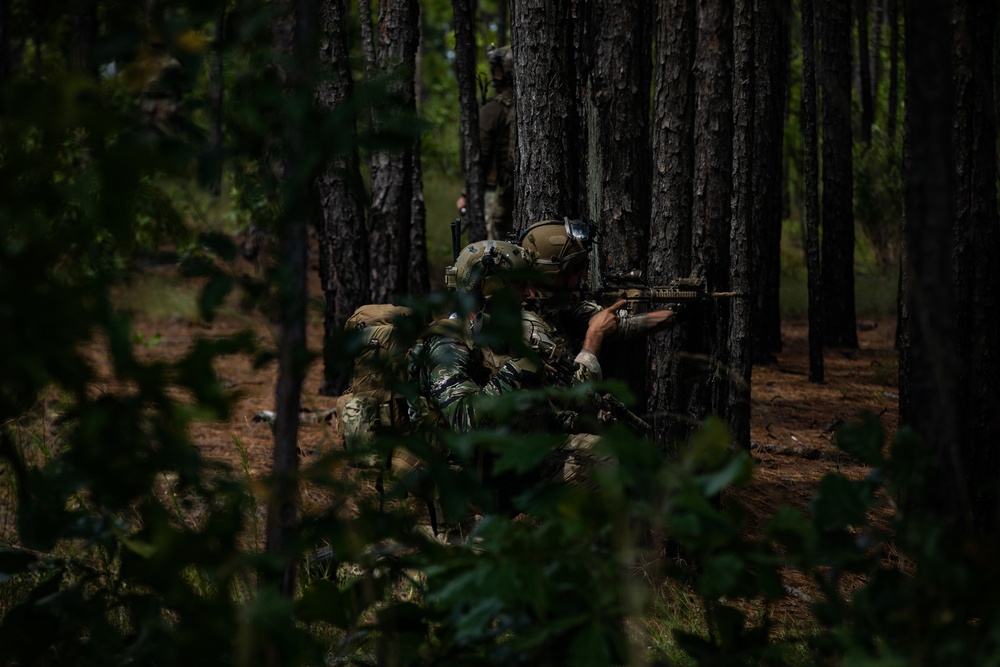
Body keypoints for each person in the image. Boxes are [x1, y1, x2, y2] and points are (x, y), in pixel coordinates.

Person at [518, 218, 683, 354]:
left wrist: (675, 314)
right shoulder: (527, 328)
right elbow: (572, 390)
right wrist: (594, 335)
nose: (583, 275)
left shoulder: (555, 304)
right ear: (551, 274)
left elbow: (620, 325)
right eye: (577, 268)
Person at [457, 45, 516, 242]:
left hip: (496, 194)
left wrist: (466, 194)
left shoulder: (493, 111)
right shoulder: (526, 105)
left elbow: (479, 156)